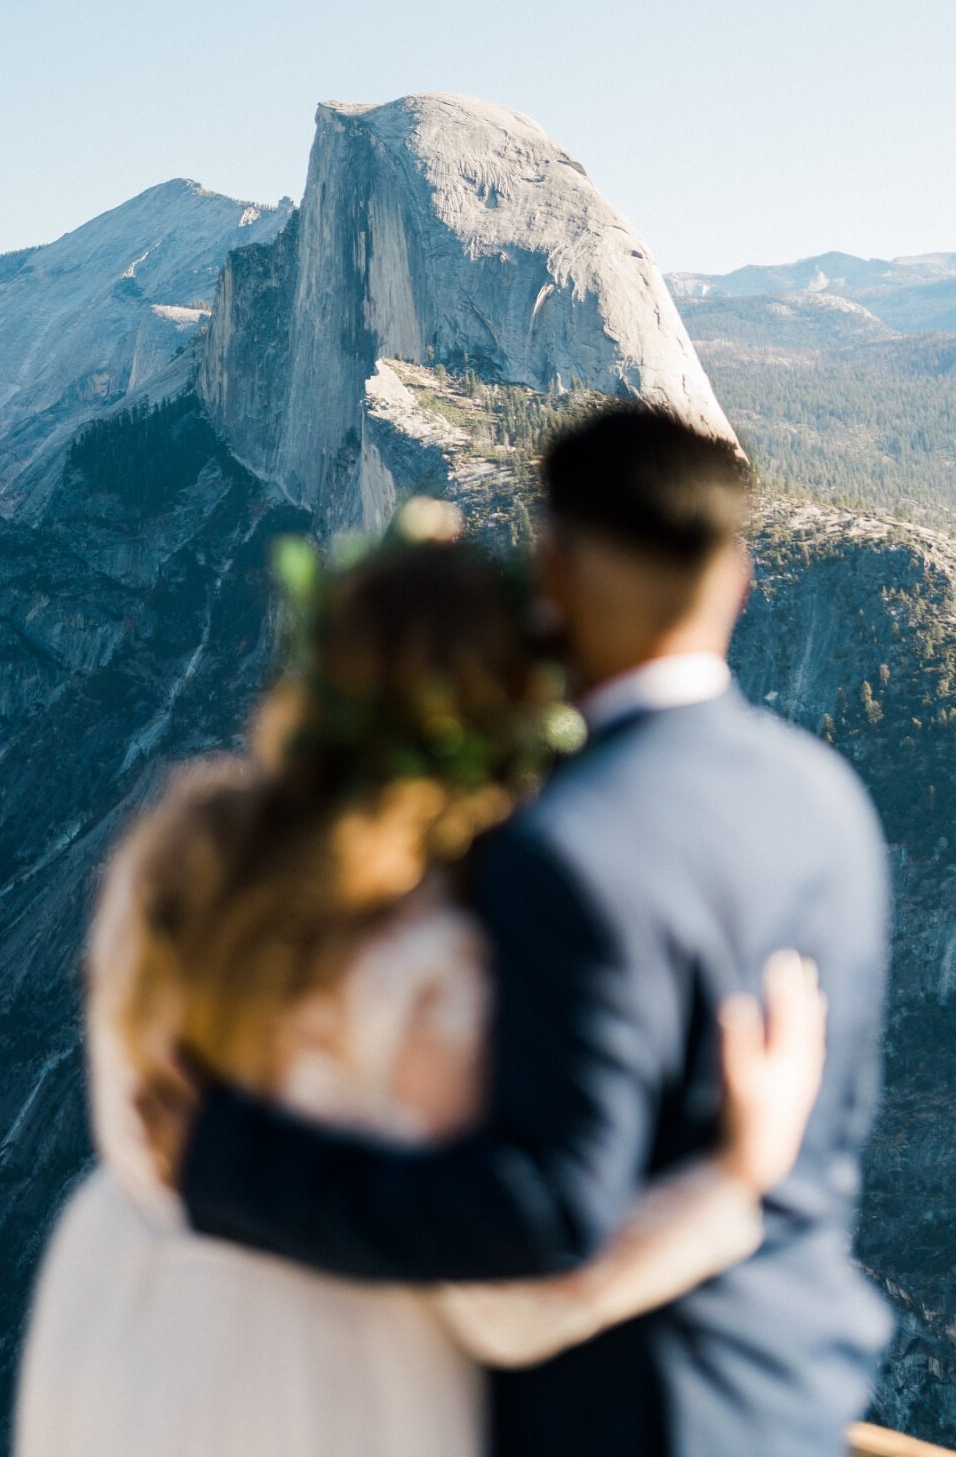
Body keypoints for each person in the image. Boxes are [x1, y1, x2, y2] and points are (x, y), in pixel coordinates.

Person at [139, 407, 894, 1457]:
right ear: (737, 580)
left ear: (557, 578)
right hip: (799, 1392)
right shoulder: (832, 802)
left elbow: (543, 1205)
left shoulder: (563, 844)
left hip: (629, 1416)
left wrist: (233, 1163)